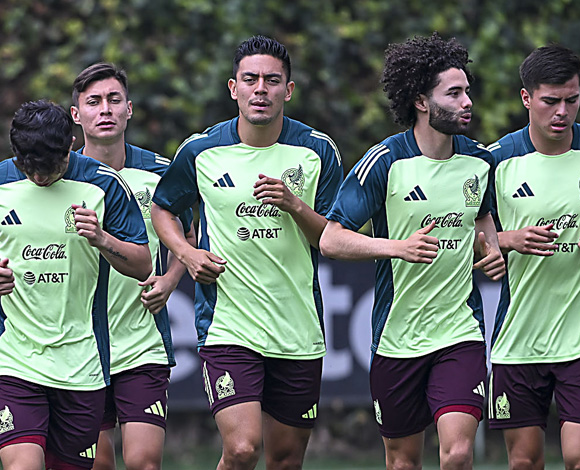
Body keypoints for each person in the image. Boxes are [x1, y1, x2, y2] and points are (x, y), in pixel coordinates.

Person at [150, 35, 343, 470]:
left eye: (272, 81)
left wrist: (295, 205)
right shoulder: (201, 151)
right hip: (228, 327)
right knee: (241, 451)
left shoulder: (317, 151)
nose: (261, 89)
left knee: (286, 459)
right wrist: (187, 251)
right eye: (250, 79)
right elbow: (164, 208)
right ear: (233, 88)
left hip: (298, 330)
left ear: (288, 90)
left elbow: (331, 238)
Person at [320, 33, 505, 470]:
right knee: (403, 463)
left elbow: (482, 218)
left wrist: (492, 246)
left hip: (460, 331)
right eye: (454, 93)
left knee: (458, 455)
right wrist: (396, 248)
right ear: (422, 101)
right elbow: (330, 238)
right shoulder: (385, 161)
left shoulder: (480, 162)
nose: (467, 103)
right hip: (396, 337)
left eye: (467, 92)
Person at [486, 44, 580, 470]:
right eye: (551, 101)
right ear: (526, 98)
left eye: (572, 99)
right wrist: (509, 239)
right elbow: (476, 235)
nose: (562, 111)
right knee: (524, 463)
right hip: (518, 338)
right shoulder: (496, 161)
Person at [0, 100, 151, 470]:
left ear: (70, 144)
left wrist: (102, 239)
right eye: (28, 167)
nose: (38, 177)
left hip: (82, 365)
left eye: (49, 168)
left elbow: (143, 264)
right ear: (16, 154)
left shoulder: (103, 184)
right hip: (15, 359)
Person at [70, 62, 195, 470]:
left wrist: (172, 278)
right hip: (79, 346)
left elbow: (188, 237)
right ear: (77, 115)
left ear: (129, 110)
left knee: (144, 463)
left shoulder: (160, 173)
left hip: (142, 343)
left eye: (113, 100)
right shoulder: (58, 179)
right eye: (93, 102)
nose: (104, 109)